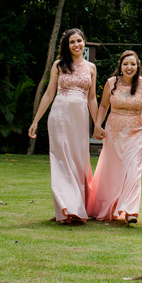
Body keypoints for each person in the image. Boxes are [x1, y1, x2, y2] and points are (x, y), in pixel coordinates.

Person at [28, 28, 98, 223]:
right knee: (61, 161)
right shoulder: (59, 65)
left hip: (80, 118)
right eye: (72, 42)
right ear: (67, 45)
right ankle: (66, 209)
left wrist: (98, 124)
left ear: (84, 42)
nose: (76, 45)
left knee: (79, 161)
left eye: (79, 41)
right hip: (59, 116)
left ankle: (77, 207)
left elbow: (92, 98)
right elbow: (49, 94)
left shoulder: (91, 68)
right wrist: (35, 121)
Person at [90, 51, 142, 224]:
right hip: (114, 133)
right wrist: (98, 125)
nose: (129, 67)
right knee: (114, 170)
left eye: (133, 64)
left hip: (136, 132)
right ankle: (112, 205)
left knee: (134, 169)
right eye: (126, 64)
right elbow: (104, 106)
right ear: (120, 66)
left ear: (138, 66)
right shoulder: (111, 83)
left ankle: (130, 211)